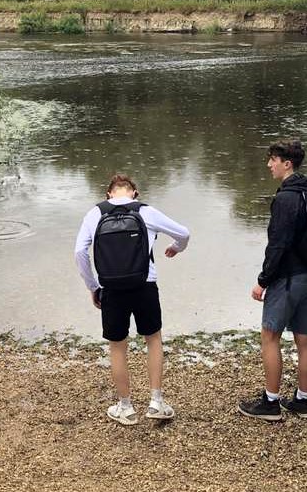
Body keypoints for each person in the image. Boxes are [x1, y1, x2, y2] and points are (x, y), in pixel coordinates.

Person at [74, 174, 190, 426]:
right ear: (135, 193)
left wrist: (93, 286)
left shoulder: (95, 213)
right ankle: (156, 403)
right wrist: (175, 248)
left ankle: (125, 408)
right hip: (145, 285)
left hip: (111, 288)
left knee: (118, 346)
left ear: (108, 194)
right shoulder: (146, 211)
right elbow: (184, 233)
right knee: (153, 339)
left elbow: (80, 252)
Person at [238, 139, 307, 421]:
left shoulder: (286, 198)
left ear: (287, 164)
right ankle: (302, 402)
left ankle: (271, 403)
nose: (269, 165)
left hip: (288, 279)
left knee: (270, 337)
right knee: (304, 339)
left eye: (273, 160)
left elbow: (278, 244)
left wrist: (263, 281)